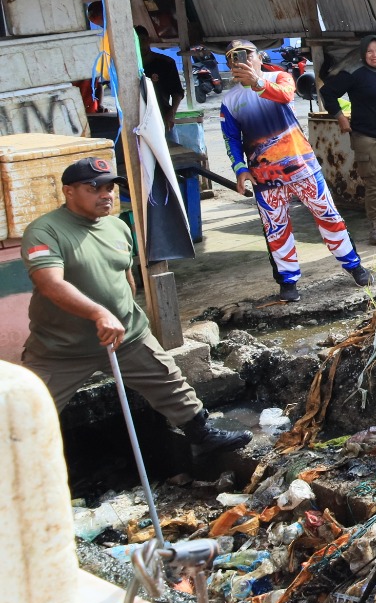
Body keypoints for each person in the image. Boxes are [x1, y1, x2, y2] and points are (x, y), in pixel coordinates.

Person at [20, 157, 250, 455]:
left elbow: (127, 276)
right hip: (61, 347)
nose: (106, 194)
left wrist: (123, 313)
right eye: (95, 188)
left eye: (110, 187)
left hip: (126, 336)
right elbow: (50, 284)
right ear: (69, 191)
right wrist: (99, 313)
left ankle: (201, 436)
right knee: (25, 412)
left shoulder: (118, 227)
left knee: (170, 382)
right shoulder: (45, 231)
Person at [221, 39, 372, 304]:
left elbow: (285, 95)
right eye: (234, 57)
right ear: (229, 64)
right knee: (275, 229)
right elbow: (231, 138)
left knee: (329, 217)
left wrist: (257, 82)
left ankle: (354, 267)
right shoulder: (230, 100)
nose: (241, 60)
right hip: (265, 177)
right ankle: (288, 283)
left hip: (303, 167)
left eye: (246, 54)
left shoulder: (279, 76)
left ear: (259, 56)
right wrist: (240, 169)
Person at [319, 35, 376, 245]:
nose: (375, 55)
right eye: (370, 51)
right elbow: (327, 92)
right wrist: (340, 117)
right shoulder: (355, 73)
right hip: (366, 136)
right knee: (375, 182)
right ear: (363, 54)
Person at [135, 25, 183, 132]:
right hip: (137, 120)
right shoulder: (129, 68)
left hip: (162, 116)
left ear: (149, 40)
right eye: (136, 41)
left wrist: (172, 113)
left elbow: (177, 92)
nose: (140, 45)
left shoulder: (166, 63)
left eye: (143, 40)